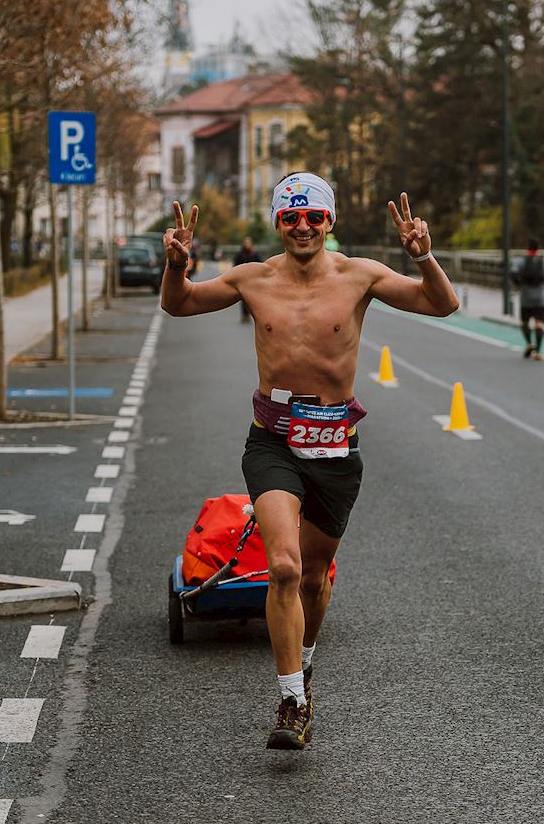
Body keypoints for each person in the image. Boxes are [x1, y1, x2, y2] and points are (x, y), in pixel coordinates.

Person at [161, 173, 459, 750]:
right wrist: (176, 265)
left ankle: (306, 660)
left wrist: (426, 259)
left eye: (314, 217)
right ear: (278, 222)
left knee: (317, 580)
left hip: (334, 447)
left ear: (331, 222)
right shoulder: (253, 278)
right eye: (291, 217)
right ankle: (292, 698)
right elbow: (180, 306)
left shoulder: (361, 275)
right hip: (272, 441)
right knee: (285, 569)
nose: (303, 227)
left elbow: (442, 304)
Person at [509, 238, 544, 360]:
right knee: (539, 323)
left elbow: (513, 274)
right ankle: (538, 350)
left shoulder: (520, 261)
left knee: (525, 322)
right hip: (540, 296)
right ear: (539, 249)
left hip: (525, 296)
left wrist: (520, 284)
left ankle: (529, 343)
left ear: (528, 249)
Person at [233, 236, 262, 323]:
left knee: (251, 298)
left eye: (248, 242)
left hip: (253, 280)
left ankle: (250, 314)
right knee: (243, 298)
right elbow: (235, 266)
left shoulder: (255, 254)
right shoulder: (240, 254)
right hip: (242, 280)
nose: (246, 244)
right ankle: (244, 315)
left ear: (251, 243)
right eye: (245, 242)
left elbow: (261, 265)